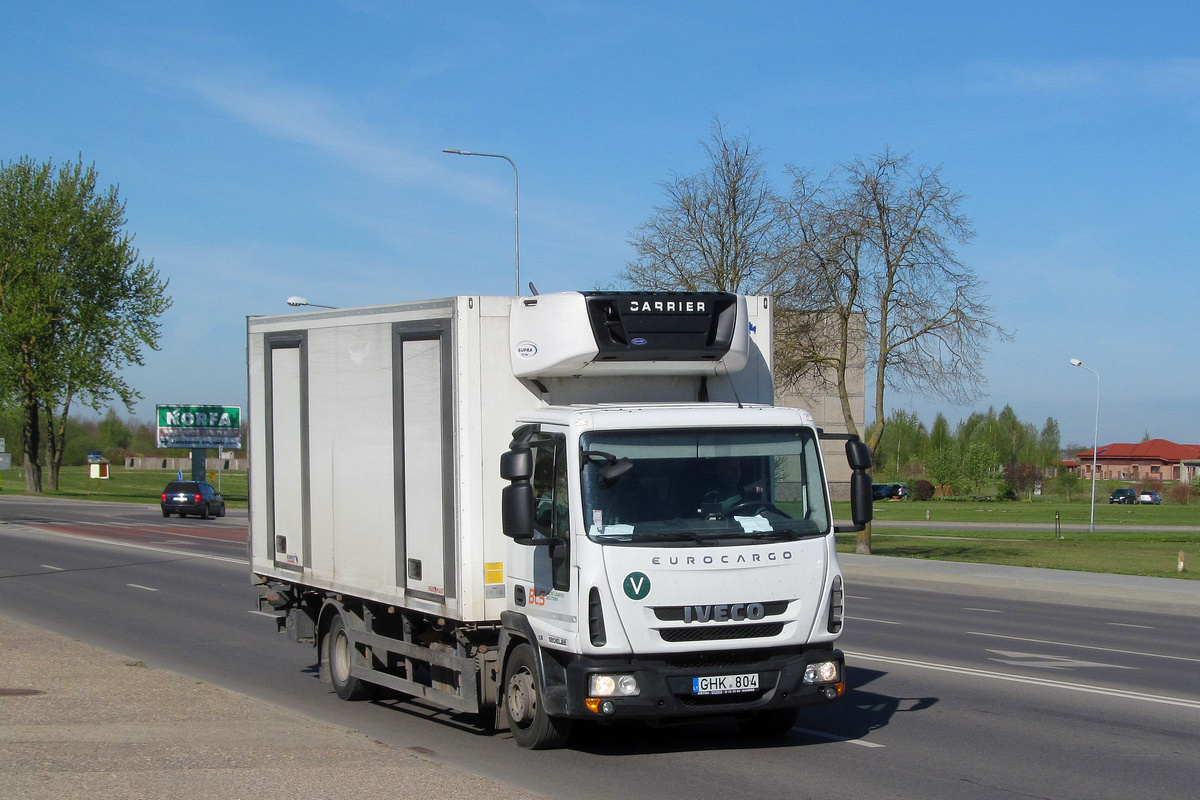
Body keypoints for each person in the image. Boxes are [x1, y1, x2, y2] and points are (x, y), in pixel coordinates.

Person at [698, 458, 763, 516]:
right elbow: (719, 507)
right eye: (731, 468)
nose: (736, 472)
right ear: (721, 470)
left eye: (738, 468)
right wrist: (743, 490)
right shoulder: (711, 493)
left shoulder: (748, 493)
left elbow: (758, 508)